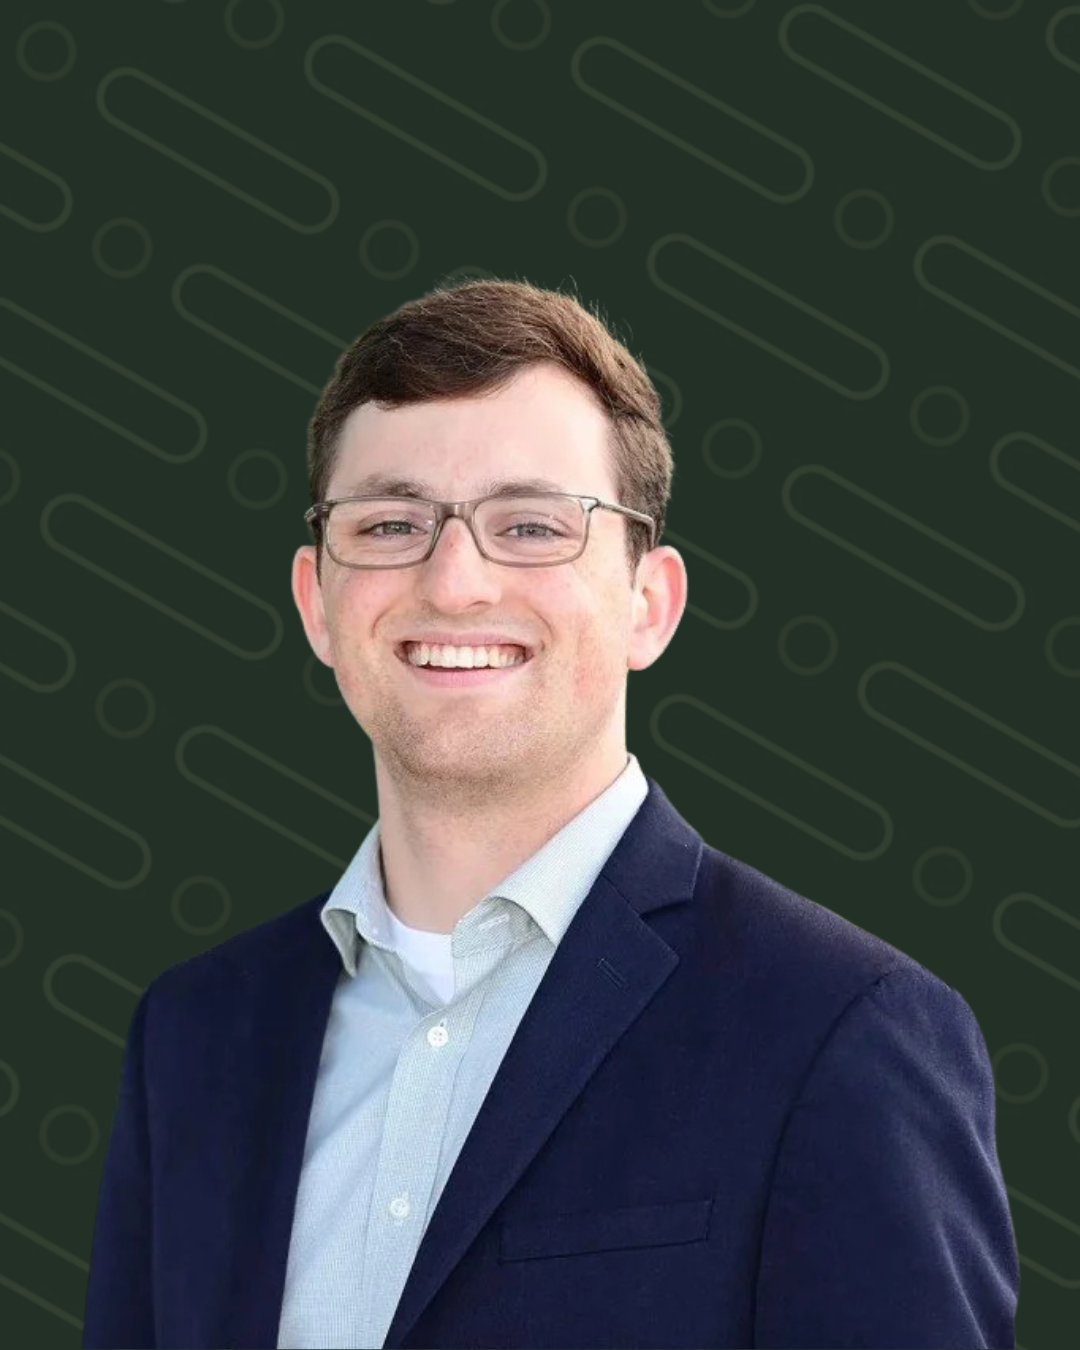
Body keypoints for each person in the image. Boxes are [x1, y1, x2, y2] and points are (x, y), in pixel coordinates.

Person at [82, 279, 1019, 1349]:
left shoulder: (842, 1033)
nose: (456, 580)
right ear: (318, 602)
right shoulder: (192, 1039)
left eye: (530, 525)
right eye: (390, 523)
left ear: (649, 604)